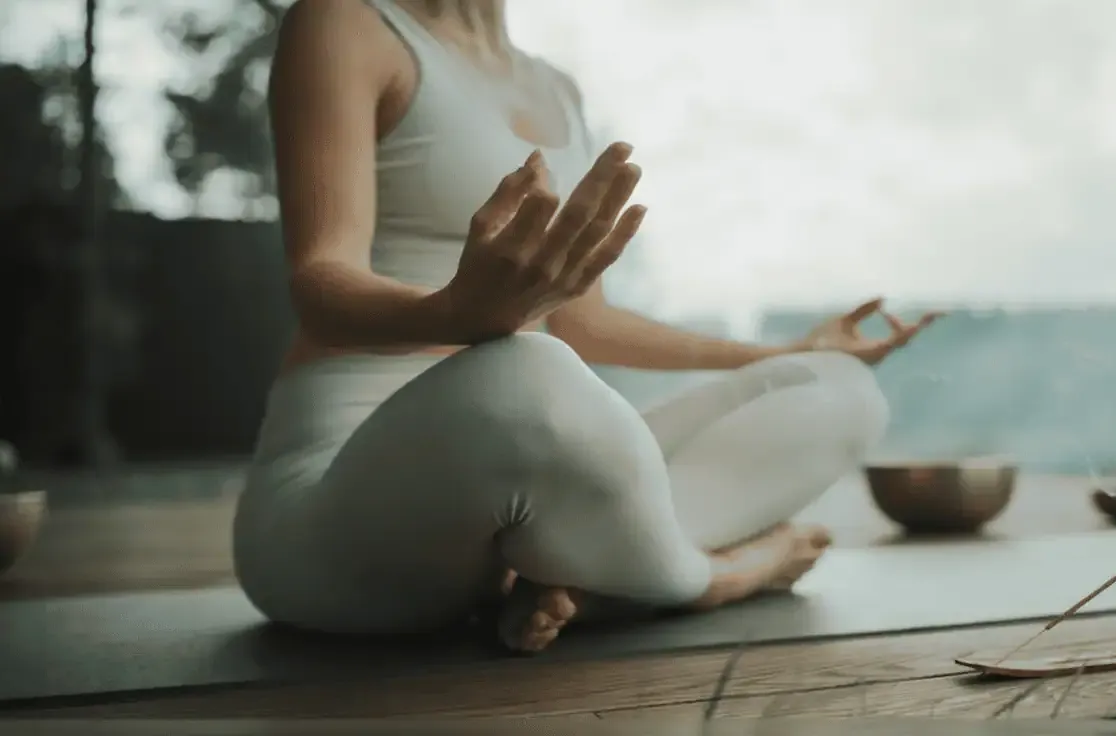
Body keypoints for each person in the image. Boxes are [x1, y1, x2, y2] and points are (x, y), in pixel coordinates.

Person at [233, 0, 940, 654]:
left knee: (838, 390)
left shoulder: (556, 90)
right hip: (340, 513)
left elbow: (585, 323)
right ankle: (713, 578)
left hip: (527, 465)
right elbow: (320, 282)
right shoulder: (346, 23)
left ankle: (581, 574)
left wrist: (790, 350)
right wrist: (454, 315)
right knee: (528, 371)